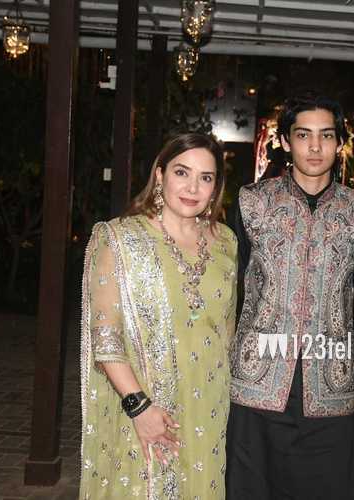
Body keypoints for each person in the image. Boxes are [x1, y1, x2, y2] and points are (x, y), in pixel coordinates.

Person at [225, 92, 354, 500]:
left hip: (330, 383)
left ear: (340, 142)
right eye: (303, 134)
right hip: (257, 381)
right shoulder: (253, 203)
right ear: (286, 141)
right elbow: (229, 282)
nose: (315, 146)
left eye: (326, 135)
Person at [79, 133, 237, 499]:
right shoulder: (121, 239)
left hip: (208, 405)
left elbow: (226, 332)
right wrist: (139, 408)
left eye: (206, 177)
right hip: (143, 402)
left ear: (215, 188)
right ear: (160, 175)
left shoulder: (226, 242)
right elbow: (106, 338)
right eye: (182, 172)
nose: (193, 187)